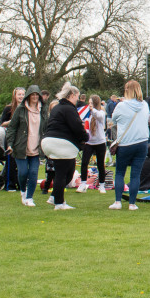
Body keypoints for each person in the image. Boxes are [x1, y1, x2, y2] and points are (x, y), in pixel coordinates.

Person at [41, 82, 88, 210]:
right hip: (60, 143)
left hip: (48, 142)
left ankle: (54, 197)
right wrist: (85, 137)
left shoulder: (57, 107)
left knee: (67, 171)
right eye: (77, 96)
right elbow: (77, 127)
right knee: (63, 174)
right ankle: (59, 203)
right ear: (72, 95)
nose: (78, 100)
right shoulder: (69, 109)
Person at [109, 80, 150, 210]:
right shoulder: (144, 105)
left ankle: (117, 202)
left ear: (126, 91)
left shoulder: (121, 105)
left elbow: (113, 119)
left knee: (120, 172)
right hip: (142, 142)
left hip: (126, 143)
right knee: (135, 174)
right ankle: (132, 203)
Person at [4, 84, 48, 207]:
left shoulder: (43, 110)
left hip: (36, 147)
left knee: (33, 173)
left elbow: (47, 126)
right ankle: (23, 191)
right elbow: (12, 128)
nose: (34, 97)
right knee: (23, 172)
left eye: (36, 95)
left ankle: (30, 197)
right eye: (32, 95)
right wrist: (10, 144)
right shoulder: (21, 109)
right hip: (21, 147)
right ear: (28, 96)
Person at [77, 94, 108, 193]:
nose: (89, 105)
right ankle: (83, 184)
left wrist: (92, 109)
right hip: (89, 142)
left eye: (91, 103)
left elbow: (99, 117)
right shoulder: (88, 114)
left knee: (100, 164)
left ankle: (102, 185)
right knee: (84, 162)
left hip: (100, 142)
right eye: (89, 103)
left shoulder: (101, 113)